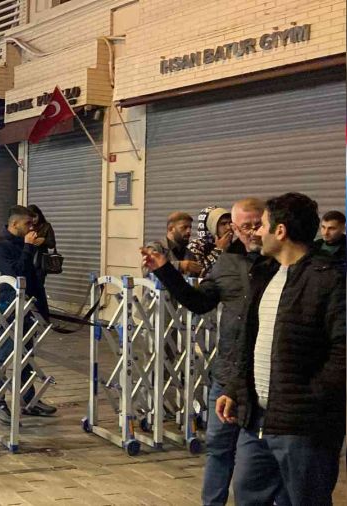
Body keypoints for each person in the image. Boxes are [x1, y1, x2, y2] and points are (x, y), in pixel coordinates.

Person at [212, 193, 344, 505]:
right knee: (246, 495)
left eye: (264, 225)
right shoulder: (265, 274)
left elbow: (343, 352)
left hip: (302, 427)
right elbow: (252, 340)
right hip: (256, 421)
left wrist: (312, 397)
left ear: (280, 231)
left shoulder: (329, 281)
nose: (257, 231)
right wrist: (235, 388)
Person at [142, 198, 272, 506]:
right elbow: (199, 302)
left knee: (258, 459)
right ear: (233, 228)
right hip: (227, 374)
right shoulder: (226, 263)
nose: (252, 233)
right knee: (218, 447)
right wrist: (166, 272)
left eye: (258, 225)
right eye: (244, 226)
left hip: (264, 378)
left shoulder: (280, 265)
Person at [0, 205, 55, 424]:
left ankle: (29, 399)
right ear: (14, 224)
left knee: (26, 355)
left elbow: (32, 275)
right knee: (4, 355)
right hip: (6, 307)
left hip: (27, 307)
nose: (31, 228)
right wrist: (28, 248)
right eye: (27, 224)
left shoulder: (24, 244)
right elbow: (16, 274)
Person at [147, 211, 201, 277]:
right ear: (170, 229)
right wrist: (179, 265)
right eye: (184, 227)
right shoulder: (156, 248)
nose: (189, 231)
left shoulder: (189, 254)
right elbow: (147, 270)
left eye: (190, 227)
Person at [186, 206, 233, 278]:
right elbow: (197, 275)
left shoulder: (235, 245)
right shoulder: (196, 246)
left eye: (230, 223)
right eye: (223, 224)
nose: (229, 227)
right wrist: (218, 251)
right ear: (211, 226)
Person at [27, 204, 57, 289]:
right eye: (31, 217)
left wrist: (44, 240)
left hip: (41, 262)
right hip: (28, 259)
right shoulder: (26, 227)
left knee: (39, 285)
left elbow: (52, 244)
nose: (34, 220)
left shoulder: (46, 226)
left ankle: (39, 301)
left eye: (35, 216)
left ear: (39, 214)